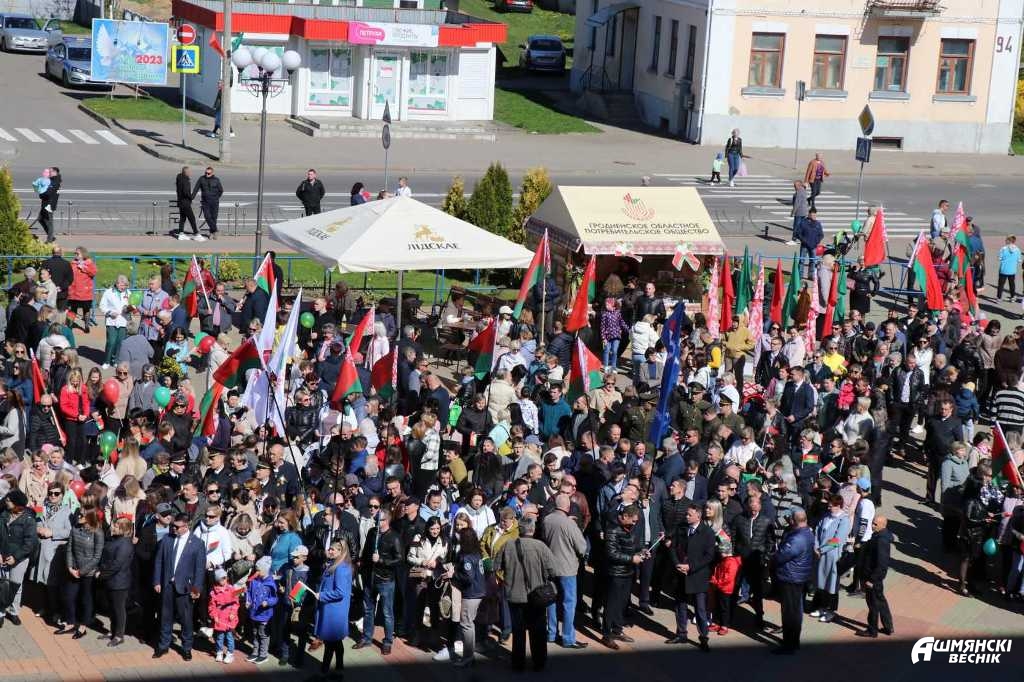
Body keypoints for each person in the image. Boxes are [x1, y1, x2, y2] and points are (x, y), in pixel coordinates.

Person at [494, 515, 556, 671]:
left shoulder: (508, 545)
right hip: (537, 595)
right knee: (538, 630)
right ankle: (539, 662)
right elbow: (553, 571)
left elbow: (496, 566)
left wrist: (507, 574)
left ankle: (518, 663)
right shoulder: (541, 546)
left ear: (519, 529)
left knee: (518, 631)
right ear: (533, 530)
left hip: (515, 595)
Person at [152, 512, 207, 660]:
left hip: (185, 588)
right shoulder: (167, 539)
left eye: (177, 527)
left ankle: (186, 647)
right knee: (165, 617)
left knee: (186, 619)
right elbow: (159, 561)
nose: (173, 529)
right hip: (167, 585)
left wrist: (196, 588)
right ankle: (163, 646)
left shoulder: (197, 544)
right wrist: (157, 581)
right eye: (173, 526)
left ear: (186, 526)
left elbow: (199, 569)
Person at [541, 493, 587, 649]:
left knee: (551, 601)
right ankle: (568, 638)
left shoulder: (547, 520)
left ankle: (551, 633)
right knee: (569, 603)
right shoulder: (569, 524)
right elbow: (582, 547)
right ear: (567, 507)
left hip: (550, 567)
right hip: (567, 568)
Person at [668, 504, 714, 651]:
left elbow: (709, 556)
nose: (686, 517)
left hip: (697, 575)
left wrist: (691, 567)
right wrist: (677, 564)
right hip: (681, 574)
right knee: (680, 605)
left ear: (698, 516)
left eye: (689, 515)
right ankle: (681, 633)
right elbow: (673, 548)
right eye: (686, 514)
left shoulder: (707, 532)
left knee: (700, 609)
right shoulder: (681, 528)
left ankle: (703, 637)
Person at [355, 512, 402, 655]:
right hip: (370, 577)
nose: (377, 523)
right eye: (376, 520)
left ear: (387, 520)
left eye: (380, 520)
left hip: (385, 579)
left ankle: (387, 642)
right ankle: (366, 638)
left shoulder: (394, 537)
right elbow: (366, 552)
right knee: (368, 610)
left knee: (387, 612)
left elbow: (399, 559)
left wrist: (381, 560)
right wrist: (362, 565)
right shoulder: (372, 532)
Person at [57, 499, 104, 639]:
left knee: (85, 599)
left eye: (82, 515)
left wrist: (81, 571)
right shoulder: (75, 528)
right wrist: (70, 567)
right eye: (79, 514)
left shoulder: (98, 533)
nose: (78, 516)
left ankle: (83, 626)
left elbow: (97, 557)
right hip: (74, 570)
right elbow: (69, 549)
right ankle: (70, 623)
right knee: (69, 596)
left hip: (88, 573)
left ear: (90, 517)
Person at [771, 508, 814, 655]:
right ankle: (794, 642)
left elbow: (781, 556)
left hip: (791, 577)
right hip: (799, 576)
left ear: (793, 520)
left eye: (789, 518)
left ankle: (789, 644)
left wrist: (774, 555)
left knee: (789, 613)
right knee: (795, 611)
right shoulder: (808, 532)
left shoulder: (797, 538)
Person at [447, 526, 486, 667]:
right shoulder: (476, 553)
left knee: (466, 624)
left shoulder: (467, 557)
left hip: (471, 594)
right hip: (479, 591)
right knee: (470, 624)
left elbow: (468, 577)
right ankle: (469, 655)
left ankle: (468, 657)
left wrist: (453, 574)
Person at [0, 489, 39, 627]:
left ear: (17, 503)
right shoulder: (3, 515)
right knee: (2, 585)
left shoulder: (28, 519)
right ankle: (1, 612)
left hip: (20, 559)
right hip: (3, 555)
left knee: (16, 585)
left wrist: (15, 557)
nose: (6, 501)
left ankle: (13, 611)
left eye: (9, 500)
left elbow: (30, 543)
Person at [315, 541, 353, 677]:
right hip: (332, 609)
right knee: (335, 643)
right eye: (329, 548)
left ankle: (324, 671)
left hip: (334, 611)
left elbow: (340, 592)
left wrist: (322, 595)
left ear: (341, 552)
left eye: (332, 549)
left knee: (330, 644)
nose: (329, 551)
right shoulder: (336, 564)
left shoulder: (341, 568)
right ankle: (339, 668)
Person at [856, 515, 894, 638]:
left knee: (873, 604)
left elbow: (882, 564)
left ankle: (872, 630)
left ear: (883, 525)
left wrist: (872, 580)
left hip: (873, 577)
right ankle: (888, 627)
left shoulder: (881, 540)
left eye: (875, 524)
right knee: (881, 601)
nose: (872, 526)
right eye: (872, 523)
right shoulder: (879, 535)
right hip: (874, 576)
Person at [98, 518, 135, 647]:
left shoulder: (125, 544)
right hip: (110, 580)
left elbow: (116, 565)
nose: (112, 528)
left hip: (119, 583)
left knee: (118, 609)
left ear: (123, 529)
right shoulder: (114, 539)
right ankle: (113, 631)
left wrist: (101, 575)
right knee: (111, 608)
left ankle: (119, 635)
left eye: (116, 526)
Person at [245, 555, 278, 664]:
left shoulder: (270, 584)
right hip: (254, 613)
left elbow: (274, 598)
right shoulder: (254, 580)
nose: (257, 572)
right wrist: (248, 601)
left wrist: (267, 602)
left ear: (265, 570)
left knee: (263, 634)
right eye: (256, 570)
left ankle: (263, 654)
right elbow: (249, 592)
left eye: (259, 570)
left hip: (264, 614)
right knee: (255, 633)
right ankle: (255, 652)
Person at [209, 567, 240, 663]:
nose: (223, 580)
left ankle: (230, 654)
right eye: (221, 579)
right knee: (219, 637)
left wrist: (233, 613)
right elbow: (212, 606)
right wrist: (214, 616)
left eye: (224, 578)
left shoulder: (231, 589)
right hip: (219, 618)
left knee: (229, 637)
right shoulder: (213, 592)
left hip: (229, 617)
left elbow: (236, 603)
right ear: (217, 580)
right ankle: (219, 652)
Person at [99, 275, 131, 368]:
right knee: (111, 342)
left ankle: (116, 360)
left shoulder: (128, 293)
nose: (123, 287)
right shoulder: (108, 292)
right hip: (111, 321)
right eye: (122, 285)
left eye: (125, 285)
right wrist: (109, 312)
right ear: (116, 284)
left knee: (121, 342)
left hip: (123, 320)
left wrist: (129, 309)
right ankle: (107, 361)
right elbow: (102, 306)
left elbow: (132, 305)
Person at [68, 247, 97, 331]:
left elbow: (93, 272)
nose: (75, 255)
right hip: (74, 292)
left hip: (85, 292)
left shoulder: (89, 263)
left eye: (77, 253)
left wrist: (84, 267)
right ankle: (69, 326)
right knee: (73, 309)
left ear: (83, 254)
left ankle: (86, 326)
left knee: (86, 309)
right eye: (75, 253)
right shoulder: (72, 263)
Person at [193, 166, 223, 241]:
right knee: (207, 217)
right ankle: (215, 229)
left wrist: (216, 198)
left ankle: (212, 233)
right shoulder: (201, 179)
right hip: (205, 202)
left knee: (214, 218)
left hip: (214, 202)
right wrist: (191, 197)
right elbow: (196, 188)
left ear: (212, 173)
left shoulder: (216, 180)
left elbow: (221, 190)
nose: (206, 174)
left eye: (208, 173)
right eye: (206, 173)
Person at [175, 167, 199, 240]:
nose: (190, 173)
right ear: (186, 172)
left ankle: (181, 234)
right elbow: (186, 192)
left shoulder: (179, 178)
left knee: (182, 218)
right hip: (185, 202)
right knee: (192, 218)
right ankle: (196, 234)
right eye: (189, 171)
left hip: (181, 202)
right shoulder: (185, 180)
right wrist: (191, 197)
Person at [997, 235, 1021, 302]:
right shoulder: (1017, 249)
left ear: (1009, 240)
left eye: (1006, 239)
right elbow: (1019, 260)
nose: (1005, 240)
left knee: (1001, 284)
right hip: (1012, 270)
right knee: (1012, 284)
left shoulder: (1003, 249)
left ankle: (999, 298)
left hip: (1003, 269)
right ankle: (1012, 297)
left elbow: (999, 258)